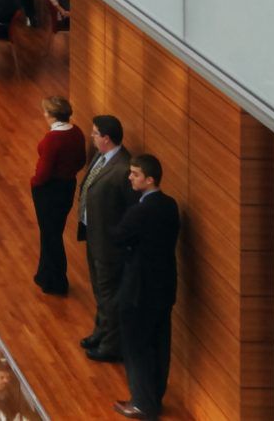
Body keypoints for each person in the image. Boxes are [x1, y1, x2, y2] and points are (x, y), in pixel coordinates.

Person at [115, 154, 181, 420]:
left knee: (137, 347)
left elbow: (119, 238)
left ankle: (142, 402)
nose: (130, 177)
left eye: (135, 174)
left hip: (139, 291)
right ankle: (154, 398)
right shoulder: (170, 205)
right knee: (160, 345)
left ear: (149, 179)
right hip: (164, 287)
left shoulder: (139, 212)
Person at [77, 115, 135, 363]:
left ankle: (112, 344)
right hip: (94, 236)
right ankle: (100, 331)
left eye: (95, 133)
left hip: (109, 245)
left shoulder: (123, 169)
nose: (92, 137)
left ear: (106, 138)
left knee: (109, 294)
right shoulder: (102, 158)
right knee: (100, 290)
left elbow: (129, 211)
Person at [31, 96, 88, 296]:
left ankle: (56, 280)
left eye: (46, 111)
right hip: (66, 187)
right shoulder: (77, 132)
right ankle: (45, 274)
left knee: (50, 235)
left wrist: (35, 182)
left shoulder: (52, 139)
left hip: (49, 191)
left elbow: (43, 172)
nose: (44, 114)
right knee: (53, 232)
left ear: (52, 115)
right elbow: (81, 160)